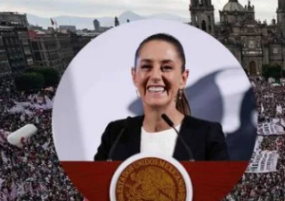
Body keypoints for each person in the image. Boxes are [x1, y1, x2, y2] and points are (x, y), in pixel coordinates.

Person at [94, 33, 229, 162]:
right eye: (146, 66)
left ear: (183, 78)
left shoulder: (209, 136)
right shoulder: (115, 134)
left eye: (166, 67)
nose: (156, 76)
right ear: (134, 76)